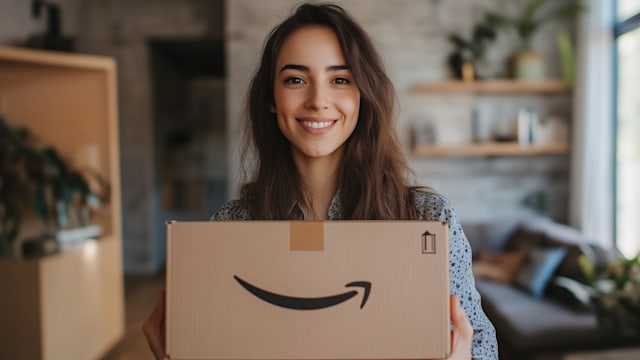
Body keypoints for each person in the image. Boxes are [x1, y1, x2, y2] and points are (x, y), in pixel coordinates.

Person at [144, 3, 498, 359]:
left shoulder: (427, 220)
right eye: (296, 80)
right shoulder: (231, 226)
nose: (318, 100)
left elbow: (481, 346)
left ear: (364, 95)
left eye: (340, 80)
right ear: (270, 98)